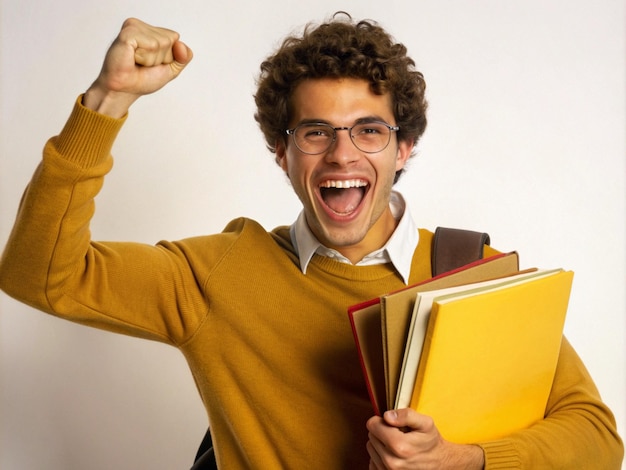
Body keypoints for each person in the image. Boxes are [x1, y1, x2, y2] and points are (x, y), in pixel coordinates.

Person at [0, 13, 623, 470]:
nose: (342, 153)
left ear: (404, 148)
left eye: (369, 130)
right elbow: (37, 273)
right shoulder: (216, 275)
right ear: (284, 152)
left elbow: (597, 438)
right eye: (316, 132)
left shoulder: (475, 275)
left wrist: (466, 460)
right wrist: (108, 101)